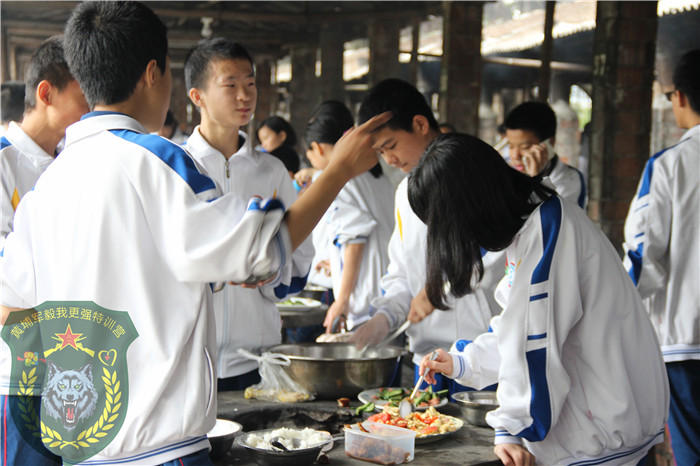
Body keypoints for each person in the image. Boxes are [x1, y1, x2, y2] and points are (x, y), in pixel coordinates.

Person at [0, 2, 389, 465]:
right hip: (162, 450)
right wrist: (338, 169)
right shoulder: (159, 161)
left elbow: (16, 310)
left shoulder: (48, 185)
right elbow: (263, 251)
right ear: (154, 74)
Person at [415, 133, 669, 466]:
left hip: (601, 443)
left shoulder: (546, 229)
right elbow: (517, 327)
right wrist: (465, 362)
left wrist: (512, 428)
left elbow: (534, 342)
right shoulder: (536, 224)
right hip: (600, 430)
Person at [349, 79, 500, 395]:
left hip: (487, 363)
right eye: (380, 152)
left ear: (419, 124)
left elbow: (499, 257)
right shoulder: (405, 194)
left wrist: (436, 290)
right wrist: (383, 318)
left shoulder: (481, 178)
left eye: (390, 146)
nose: (389, 160)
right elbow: (403, 275)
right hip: (429, 367)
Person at [183, 37, 314, 391]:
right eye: (230, 85)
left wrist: (268, 274)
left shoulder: (271, 171)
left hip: (256, 359)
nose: (245, 96)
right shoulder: (177, 168)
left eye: (251, 84)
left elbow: (300, 256)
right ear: (198, 97)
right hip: (191, 362)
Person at [0, 35, 88, 466]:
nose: (94, 106)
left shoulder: (73, 166)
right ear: (46, 93)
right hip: (20, 376)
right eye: (84, 94)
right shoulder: (3, 163)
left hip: (72, 373)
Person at [623, 48, 700, 466]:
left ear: (681, 97)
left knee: (691, 451)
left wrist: (615, 305)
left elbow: (644, 256)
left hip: (687, 341)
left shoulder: (669, 165)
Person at [301, 101, 394, 333]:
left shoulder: (339, 181)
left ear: (318, 148)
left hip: (362, 304)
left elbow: (354, 240)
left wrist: (341, 302)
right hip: (389, 299)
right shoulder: (378, 178)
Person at [504, 101, 587, 209]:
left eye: (524, 147)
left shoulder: (569, 180)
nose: (515, 156)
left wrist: (535, 180)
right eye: (511, 146)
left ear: (549, 143)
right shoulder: (506, 174)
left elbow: (550, 218)